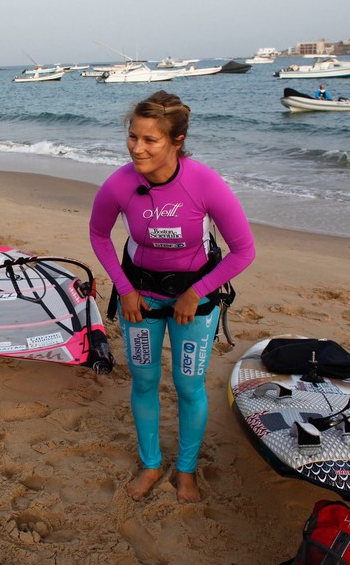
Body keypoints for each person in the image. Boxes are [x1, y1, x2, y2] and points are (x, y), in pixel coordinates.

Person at [89, 91, 255, 503]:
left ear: (176, 141)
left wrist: (196, 291)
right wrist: (124, 290)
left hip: (193, 304)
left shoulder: (204, 183)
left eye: (150, 140)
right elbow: (98, 234)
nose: (137, 148)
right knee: (144, 381)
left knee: (188, 385)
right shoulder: (120, 183)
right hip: (140, 300)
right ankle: (150, 464)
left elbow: (244, 250)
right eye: (132, 137)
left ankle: (185, 471)